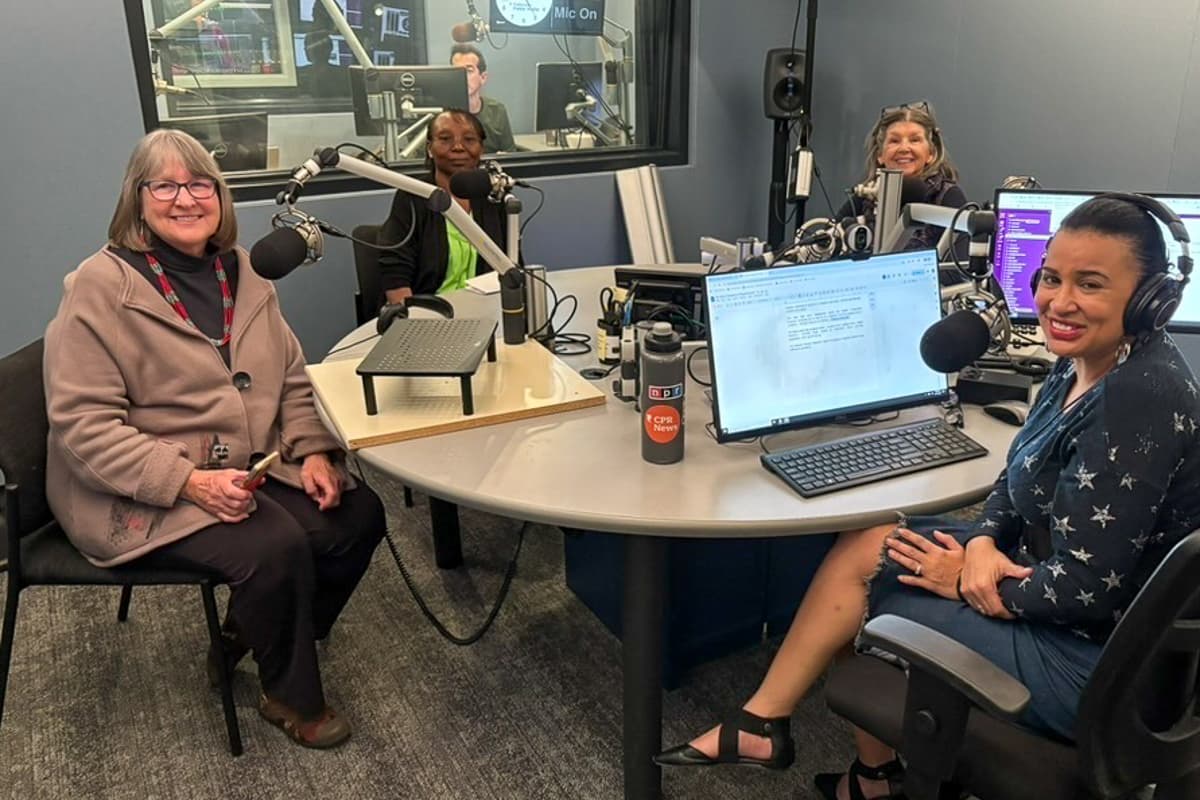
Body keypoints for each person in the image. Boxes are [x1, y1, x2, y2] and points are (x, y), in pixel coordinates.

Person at [655, 195, 1200, 800]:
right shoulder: (1085, 361)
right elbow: (1016, 479)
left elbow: (1082, 592)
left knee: (871, 589)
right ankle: (783, 731)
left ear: (1153, 298)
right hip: (1060, 591)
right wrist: (987, 540)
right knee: (869, 541)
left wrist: (965, 577)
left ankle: (853, 769)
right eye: (1051, 278)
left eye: (1090, 284)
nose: (1059, 301)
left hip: (1103, 666)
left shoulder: (1137, 399)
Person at [43, 129, 386, 750]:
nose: (185, 199)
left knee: (357, 515)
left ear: (220, 196)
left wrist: (310, 449)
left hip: (248, 462)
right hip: (139, 485)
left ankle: (247, 633)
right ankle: (289, 695)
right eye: (165, 185)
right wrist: (190, 483)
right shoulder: (99, 287)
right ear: (136, 199)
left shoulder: (244, 272)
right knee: (275, 545)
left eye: (199, 183)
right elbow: (83, 426)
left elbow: (289, 374)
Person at [378, 108, 517, 306]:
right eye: (445, 139)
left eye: (469, 140)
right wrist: (413, 323)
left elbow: (513, 264)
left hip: (488, 309)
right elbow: (395, 273)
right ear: (429, 148)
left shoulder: (494, 197)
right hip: (429, 314)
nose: (458, 147)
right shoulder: (412, 196)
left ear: (481, 148)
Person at [835, 101, 966, 252]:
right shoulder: (864, 198)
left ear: (931, 153)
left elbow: (958, 270)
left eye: (914, 140)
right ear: (880, 155)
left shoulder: (948, 197)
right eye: (894, 141)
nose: (904, 148)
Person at [450, 43, 516, 153]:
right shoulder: (440, 114)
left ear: (483, 77)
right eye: (457, 71)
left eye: (469, 71)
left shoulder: (497, 111)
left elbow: (510, 155)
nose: (461, 76)